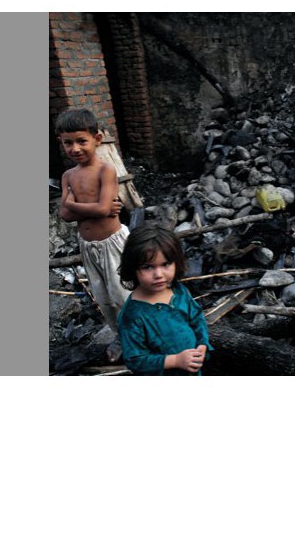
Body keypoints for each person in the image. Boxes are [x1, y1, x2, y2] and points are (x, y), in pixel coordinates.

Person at [55, 108, 129, 360]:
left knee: (123, 293)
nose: (75, 148)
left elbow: (97, 208)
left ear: (97, 139)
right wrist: (97, 210)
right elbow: (65, 215)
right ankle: (121, 337)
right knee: (104, 298)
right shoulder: (68, 175)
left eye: (81, 141)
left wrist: (74, 205)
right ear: (60, 143)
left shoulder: (105, 170)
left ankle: (141, 334)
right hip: (88, 246)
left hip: (112, 244)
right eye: (68, 143)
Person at [117, 224, 213, 375]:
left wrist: (202, 344)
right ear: (132, 268)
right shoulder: (133, 315)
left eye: (165, 264)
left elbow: (196, 317)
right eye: (148, 267)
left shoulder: (178, 291)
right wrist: (175, 360)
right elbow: (135, 360)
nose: (159, 274)